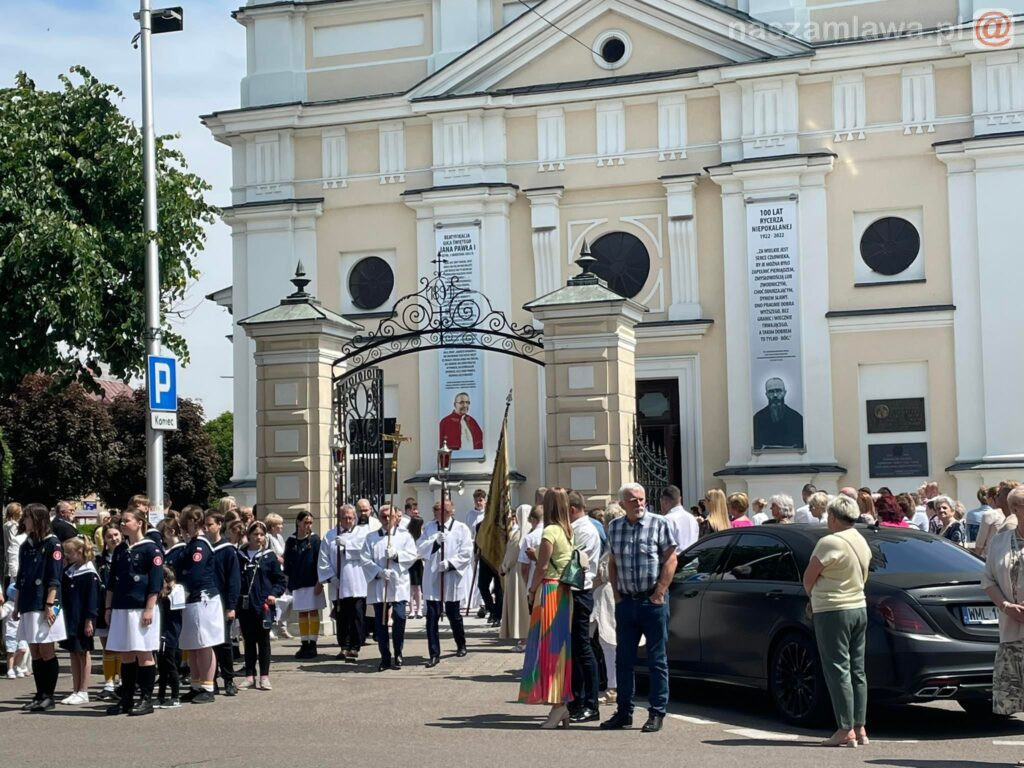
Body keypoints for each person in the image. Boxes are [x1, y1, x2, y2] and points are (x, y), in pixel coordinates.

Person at [600, 483, 677, 733]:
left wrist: (660, 592)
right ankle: (624, 712)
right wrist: (617, 594)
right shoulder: (615, 527)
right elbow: (612, 562)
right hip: (627, 601)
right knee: (624, 660)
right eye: (633, 500)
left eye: (642, 499)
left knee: (657, 660)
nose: (639, 504)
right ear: (623, 504)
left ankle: (656, 712)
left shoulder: (659, 524)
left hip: (651, 601)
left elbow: (671, 559)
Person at [801, 495, 871, 748]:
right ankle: (860, 726)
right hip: (858, 606)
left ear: (832, 516)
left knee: (837, 668)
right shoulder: (860, 539)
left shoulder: (829, 542)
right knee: (857, 669)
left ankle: (844, 728)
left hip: (833, 608)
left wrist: (811, 597)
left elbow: (809, 577)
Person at [518, 488, 576, 729]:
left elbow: (541, 567)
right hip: (563, 592)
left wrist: (531, 590)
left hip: (550, 591)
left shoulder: (550, 531)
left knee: (547, 649)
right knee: (559, 649)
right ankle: (560, 703)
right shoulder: (568, 530)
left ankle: (558, 704)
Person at [104, 506, 164, 716]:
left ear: (139, 523)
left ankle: (146, 699)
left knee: (143, 652)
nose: (122, 524)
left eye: (127, 521)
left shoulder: (151, 549)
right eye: (122, 521)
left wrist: (149, 608)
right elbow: (112, 581)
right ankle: (126, 699)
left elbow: (155, 582)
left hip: (140, 608)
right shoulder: (121, 549)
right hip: (121, 607)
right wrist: (109, 606)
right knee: (126, 654)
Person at [13, 503, 66, 711]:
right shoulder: (26, 545)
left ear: (38, 519)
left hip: (44, 603)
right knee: (34, 650)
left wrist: (50, 604)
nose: (24, 522)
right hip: (28, 602)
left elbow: (54, 578)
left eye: (27, 518)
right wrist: (17, 605)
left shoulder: (53, 544)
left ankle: (49, 696)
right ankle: (39, 693)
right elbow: (21, 579)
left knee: (45, 649)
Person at [981, 486, 1024, 717]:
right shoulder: (1000, 542)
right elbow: (987, 580)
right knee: (1018, 696)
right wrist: (1006, 607)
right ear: (1015, 509)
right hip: (1012, 630)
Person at [361, 504, 418, 671]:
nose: (387, 519)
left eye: (389, 516)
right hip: (380, 584)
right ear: (379, 518)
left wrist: (397, 555)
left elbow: (413, 555)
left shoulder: (404, 536)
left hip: (398, 584)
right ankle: (385, 657)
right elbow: (364, 559)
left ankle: (398, 652)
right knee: (381, 623)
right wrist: (378, 572)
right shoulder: (371, 538)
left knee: (400, 618)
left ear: (396, 517)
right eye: (383, 516)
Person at [176, 504, 223, 705]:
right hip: (191, 599)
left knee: (204, 644)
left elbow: (194, 572)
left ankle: (207, 685)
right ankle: (196, 684)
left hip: (202, 598)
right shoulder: (192, 543)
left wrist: (181, 579)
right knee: (193, 645)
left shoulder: (200, 546)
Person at [419, 500, 472, 668]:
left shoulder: (461, 528)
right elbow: (419, 547)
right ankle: (434, 653)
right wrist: (434, 543)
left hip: (450, 577)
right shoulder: (429, 528)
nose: (439, 514)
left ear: (451, 512)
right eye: (437, 511)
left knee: (453, 614)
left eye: (444, 511)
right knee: (432, 617)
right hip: (433, 576)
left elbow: (467, 552)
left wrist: (450, 563)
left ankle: (461, 643)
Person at [565, 490, 602, 723]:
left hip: (581, 591)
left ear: (571, 510)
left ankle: (591, 703)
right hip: (573, 592)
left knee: (583, 649)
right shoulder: (576, 528)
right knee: (576, 651)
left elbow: (575, 563)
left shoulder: (585, 530)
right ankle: (577, 701)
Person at [237, 520, 286, 689]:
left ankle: (264, 676)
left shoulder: (269, 556)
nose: (259, 538)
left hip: (263, 605)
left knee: (263, 640)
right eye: (255, 534)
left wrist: (274, 594)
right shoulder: (240, 556)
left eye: (261, 534)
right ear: (248, 536)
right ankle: (249, 675)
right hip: (245, 605)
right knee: (248, 641)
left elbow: (280, 580)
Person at [318, 503, 369, 662]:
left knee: (356, 615)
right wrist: (331, 577)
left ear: (354, 518)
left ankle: (355, 646)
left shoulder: (363, 533)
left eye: (350, 517)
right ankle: (344, 646)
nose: (347, 520)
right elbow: (323, 558)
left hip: (357, 581)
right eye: (344, 517)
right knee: (342, 617)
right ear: (339, 518)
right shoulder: (330, 535)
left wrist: (348, 545)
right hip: (338, 583)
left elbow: (364, 553)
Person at [58, 535, 99, 705]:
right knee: (73, 652)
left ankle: (84, 690)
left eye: (69, 553)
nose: (66, 556)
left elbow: (93, 599)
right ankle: (75, 689)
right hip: (71, 617)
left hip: (83, 618)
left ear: (80, 551)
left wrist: (89, 619)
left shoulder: (90, 573)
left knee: (83, 652)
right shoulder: (70, 571)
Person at [205, 512, 241, 696]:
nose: (206, 528)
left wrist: (232, 606)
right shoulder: (202, 548)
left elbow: (234, 580)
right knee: (208, 644)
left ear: (219, 525)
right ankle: (210, 679)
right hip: (206, 604)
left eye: (210, 524)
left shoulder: (227, 550)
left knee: (224, 643)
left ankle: (229, 679)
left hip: (223, 603)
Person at [593, 503, 625, 707]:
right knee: (609, 643)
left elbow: (604, 572)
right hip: (608, 596)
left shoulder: (615, 545)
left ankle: (613, 687)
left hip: (610, 597)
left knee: (610, 642)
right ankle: (613, 685)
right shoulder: (614, 544)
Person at [284, 511, 325, 659]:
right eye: (305, 522)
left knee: (312, 612)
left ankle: (312, 643)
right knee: (302, 612)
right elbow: (287, 561)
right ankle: (304, 643)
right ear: (298, 522)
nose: (308, 525)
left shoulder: (315, 540)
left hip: (312, 581)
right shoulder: (291, 540)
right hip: (297, 581)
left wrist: (320, 582)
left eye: (310, 523)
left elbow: (319, 561)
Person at [499, 504, 530, 649]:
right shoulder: (532, 532)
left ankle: (523, 639)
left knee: (520, 607)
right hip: (526, 574)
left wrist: (503, 567)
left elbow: (510, 556)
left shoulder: (518, 535)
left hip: (516, 575)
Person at [156, 566, 183, 708]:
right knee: (162, 666)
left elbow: (175, 611)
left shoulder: (177, 590)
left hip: (170, 632)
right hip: (161, 631)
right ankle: (160, 695)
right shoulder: (162, 593)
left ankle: (175, 696)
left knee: (170, 665)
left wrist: (167, 590)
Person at [752, 376, 803, 449]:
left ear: (784, 393)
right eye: (771, 391)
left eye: (778, 391)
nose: (775, 395)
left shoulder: (797, 418)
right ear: (766, 394)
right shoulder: (757, 419)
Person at [263, 512, 292, 638]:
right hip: (273, 571)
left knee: (286, 600)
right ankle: (272, 625)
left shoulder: (279, 537)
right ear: (272, 526)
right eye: (279, 524)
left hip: (282, 570)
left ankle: (282, 625)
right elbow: (267, 552)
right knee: (275, 599)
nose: (281, 526)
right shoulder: (268, 537)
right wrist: (277, 558)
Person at [661, 485, 698, 554]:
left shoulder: (666, 520)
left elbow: (664, 547)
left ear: (664, 501)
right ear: (680, 499)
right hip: (693, 560)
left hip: (677, 561)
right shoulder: (692, 518)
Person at [2, 584, 28, 679]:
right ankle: (10, 669)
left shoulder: (22, 604)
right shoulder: (8, 605)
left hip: (22, 631)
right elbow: (1, 615)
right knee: (11, 652)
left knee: (22, 650)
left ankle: (16, 666)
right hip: (11, 632)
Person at [518, 505, 544, 594]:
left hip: (533, 585)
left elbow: (524, 569)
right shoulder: (555, 534)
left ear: (533, 519)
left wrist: (526, 588)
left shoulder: (529, 538)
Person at [406, 507, 425, 620]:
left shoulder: (422, 534)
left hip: (417, 562)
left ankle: (419, 609)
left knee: (417, 587)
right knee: (410, 587)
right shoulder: (408, 535)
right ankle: (411, 609)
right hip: (410, 562)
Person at [3, 503, 23, 590]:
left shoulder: (9, 524)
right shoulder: (12, 525)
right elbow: (14, 541)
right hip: (13, 556)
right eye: (20, 511)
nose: (22, 513)